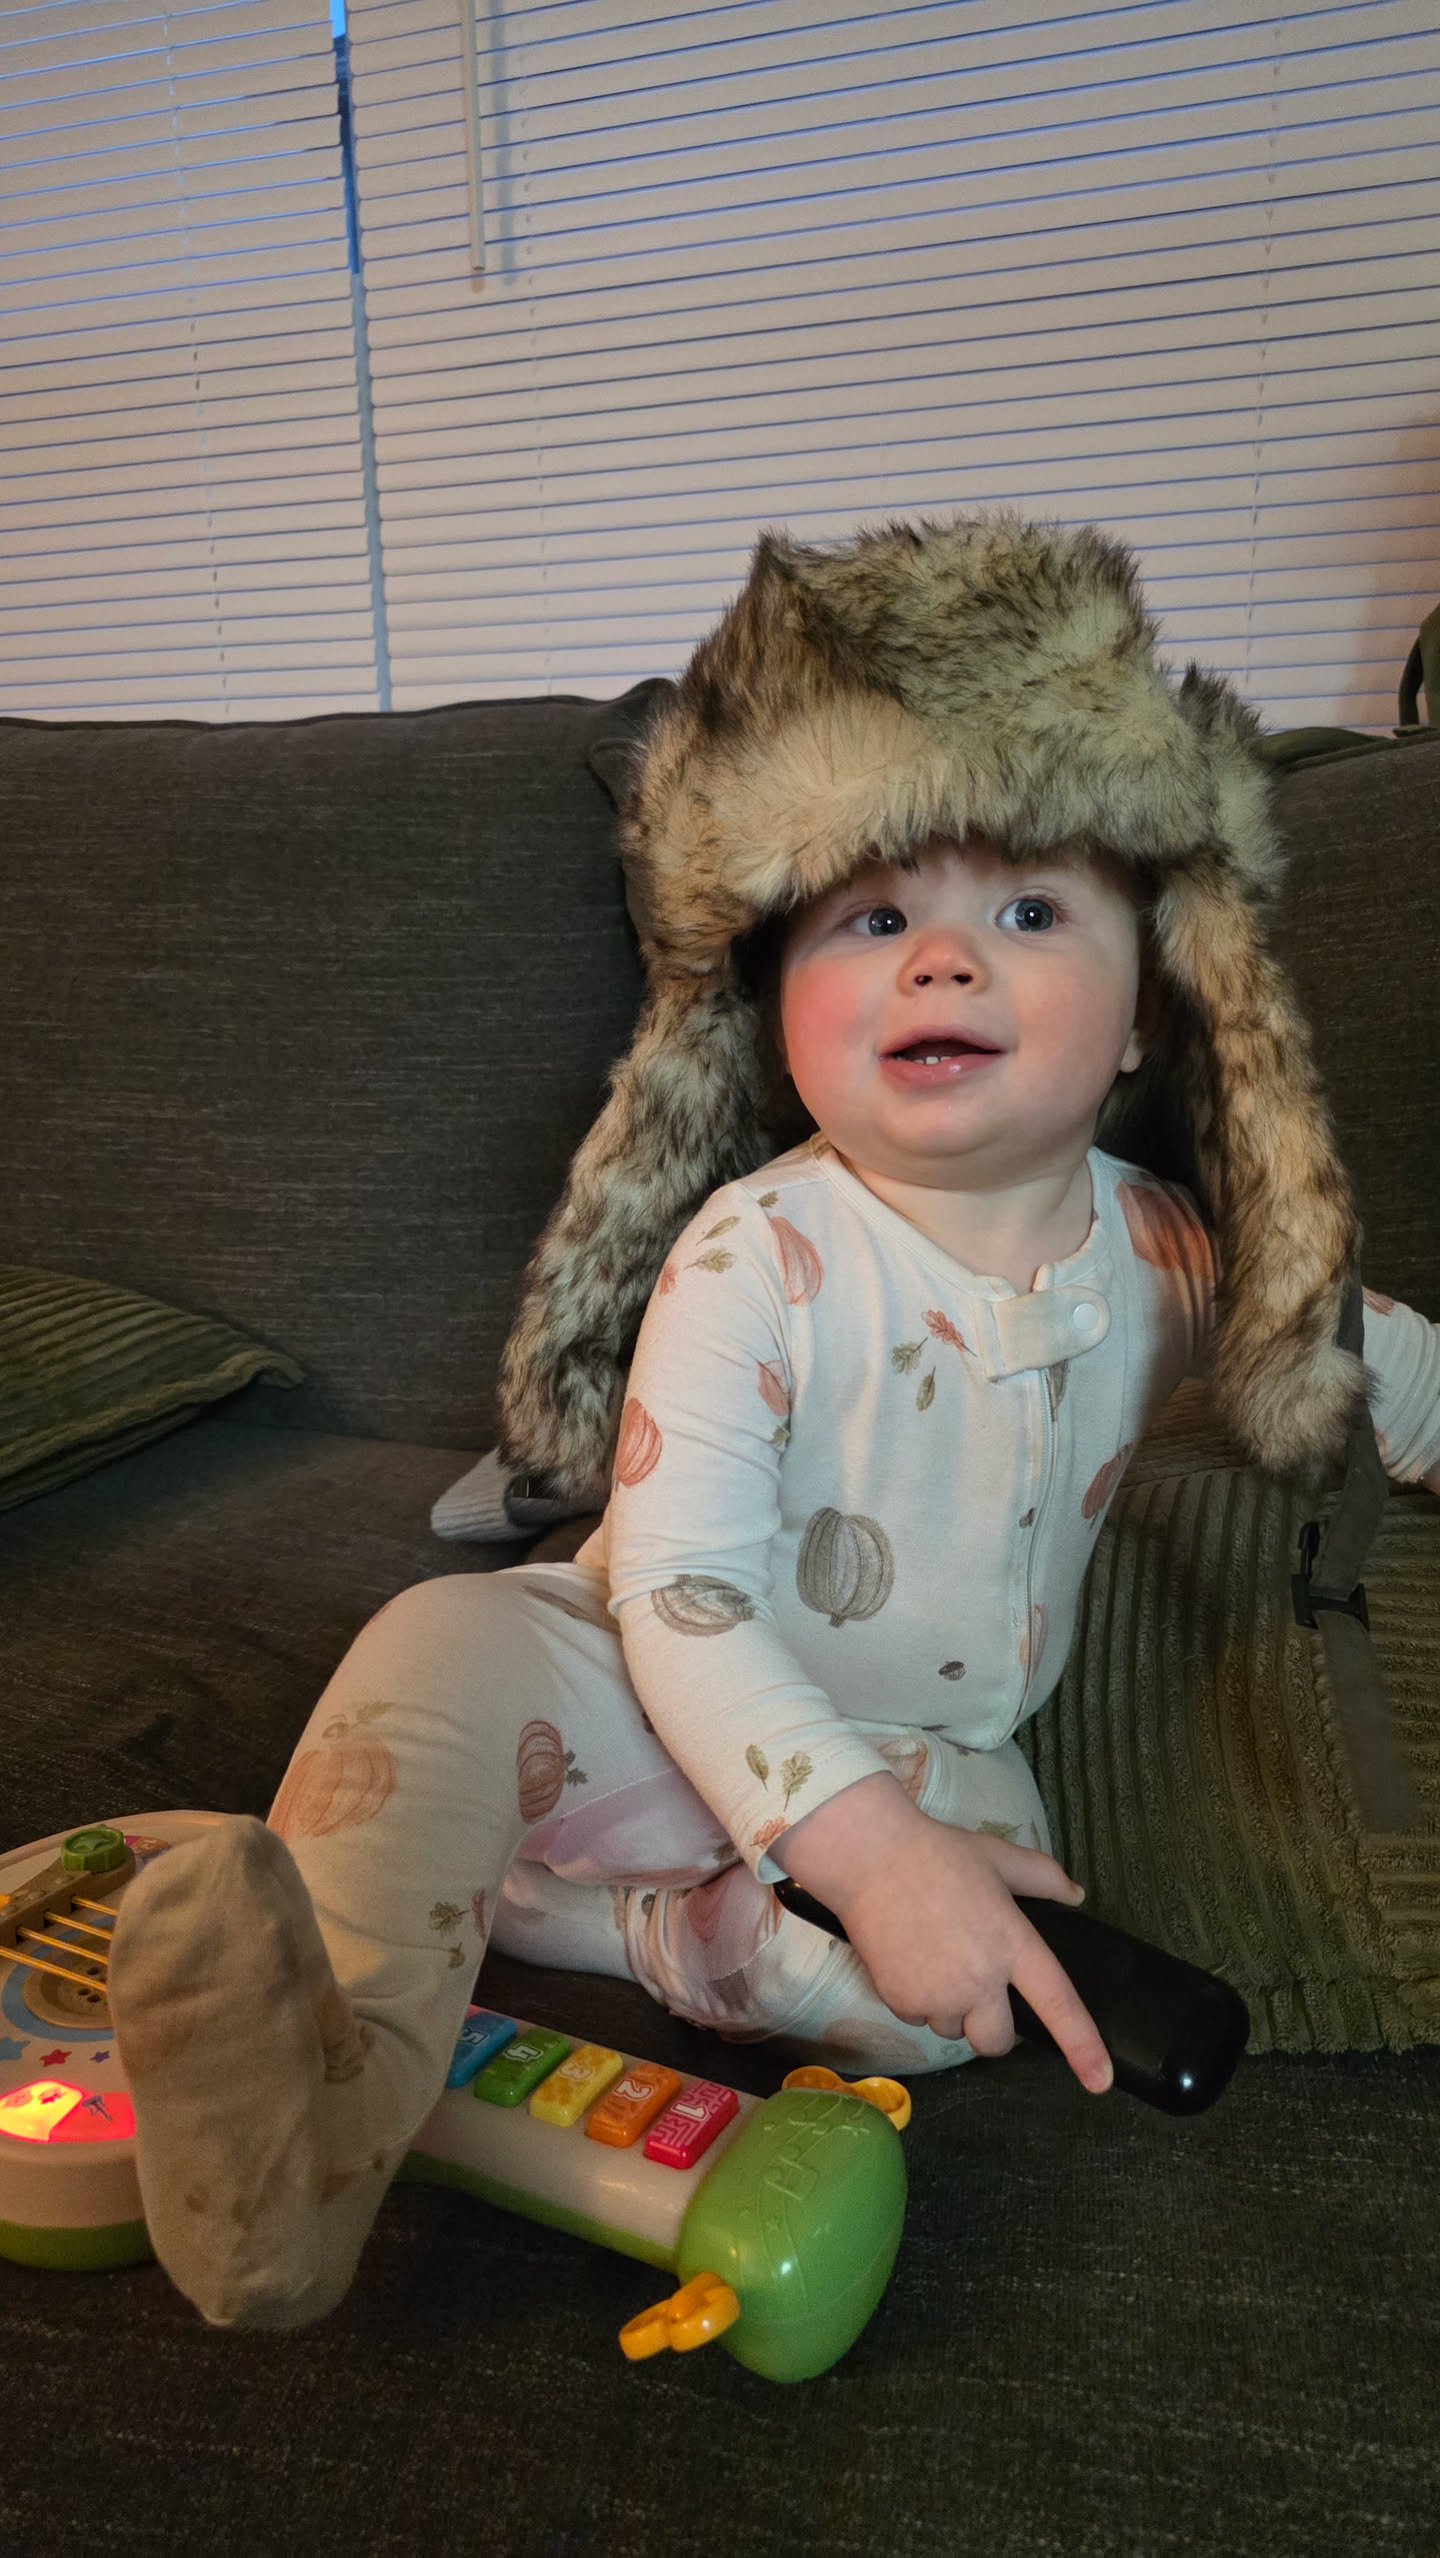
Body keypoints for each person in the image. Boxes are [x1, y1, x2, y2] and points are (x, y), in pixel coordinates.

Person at [108, 514, 1440, 2331]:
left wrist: (899, 1852)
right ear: (776, 1009)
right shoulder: (756, 1251)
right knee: (438, 1644)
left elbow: (1365, 1355)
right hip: (633, 1683)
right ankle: (310, 2102)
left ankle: (630, 1931)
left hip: (915, 1740)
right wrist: (859, 1851)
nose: (943, 961)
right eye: (875, 917)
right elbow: (679, 1595)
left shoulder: (1174, 1252)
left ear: (1150, 1010)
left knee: (985, 1956)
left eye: (1028, 911)